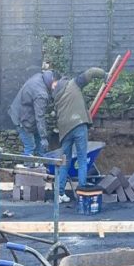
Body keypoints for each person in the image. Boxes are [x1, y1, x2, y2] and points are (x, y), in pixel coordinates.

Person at [51, 67, 106, 197]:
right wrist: (105, 74)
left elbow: (56, 115)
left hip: (65, 131)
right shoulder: (74, 83)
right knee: (82, 159)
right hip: (79, 124)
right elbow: (91, 72)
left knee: (65, 161)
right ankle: (82, 191)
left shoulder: (56, 97)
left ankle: (59, 194)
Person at [7, 70, 55, 161]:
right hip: (21, 118)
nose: (54, 88)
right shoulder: (41, 94)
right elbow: (40, 117)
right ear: (50, 81)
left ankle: (41, 163)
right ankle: (27, 170)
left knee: (39, 141)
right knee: (30, 145)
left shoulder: (40, 77)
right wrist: (44, 137)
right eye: (54, 86)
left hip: (25, 113)